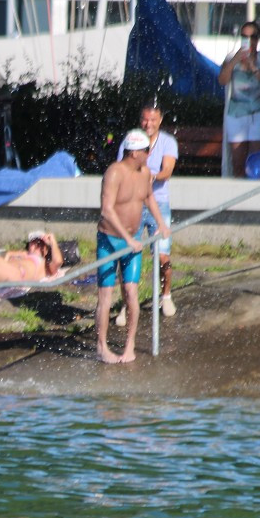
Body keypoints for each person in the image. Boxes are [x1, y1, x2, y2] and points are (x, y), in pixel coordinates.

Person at [95, 130, 170, 365]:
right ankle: (101, 347)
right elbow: (106, 209)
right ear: (135, 152)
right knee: (106, 296)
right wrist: (126, 240)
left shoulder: (145, 172)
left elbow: (148, 198)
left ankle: (130, 346)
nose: (149, 155)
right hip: (110, 241)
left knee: (131, 293)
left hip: (134, 239)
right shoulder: (114, 172)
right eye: (147, 151)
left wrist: (160, 223)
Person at [115, 102, 179, 321]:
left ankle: (166, 295)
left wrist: (150, 176)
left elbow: (167, 170)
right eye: (144, 119)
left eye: (153, 119)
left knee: (162, 255)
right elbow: (120, 168)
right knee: (127, 255)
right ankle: (126, 303)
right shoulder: (130, 141)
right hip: (133, 204)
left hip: (158, 203)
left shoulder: (168, 142)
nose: (148, 124)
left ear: (160, 120)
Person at [219, 21, 260, 178]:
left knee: (257, 160)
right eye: (245, 36)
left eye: (252, 37)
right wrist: (235, 61)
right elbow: (222, 80)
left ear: (258, 38)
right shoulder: (231, 58)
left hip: (259, 112)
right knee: (238, 162)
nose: (249, 40)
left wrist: (253, 67)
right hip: (237, 113)